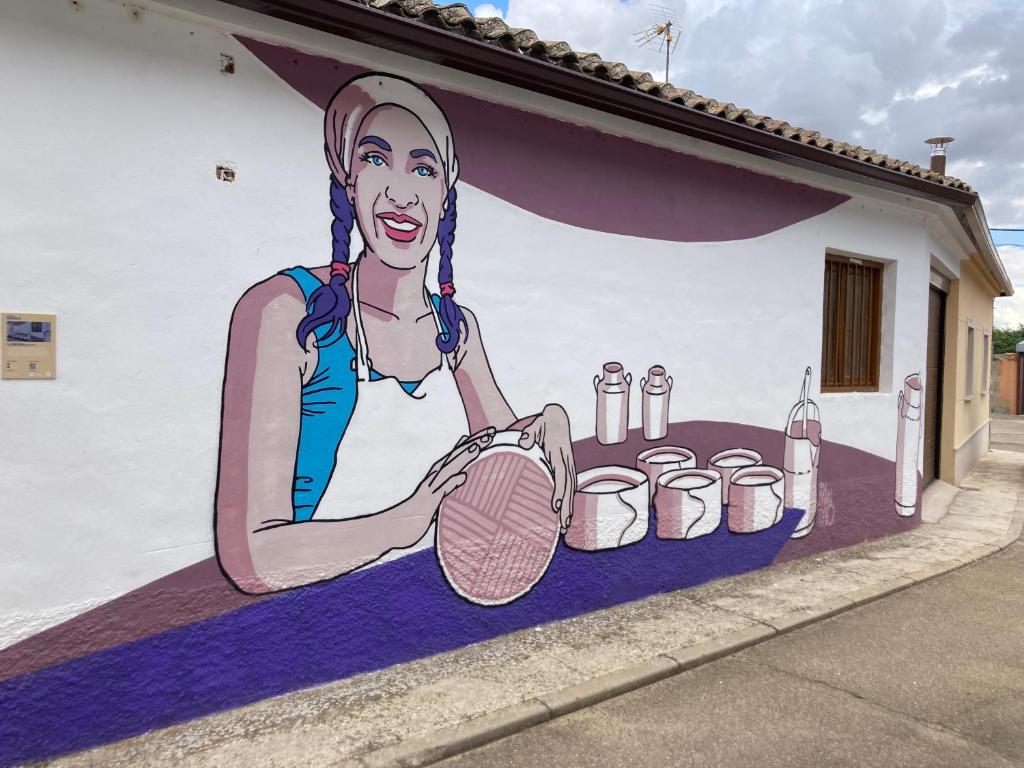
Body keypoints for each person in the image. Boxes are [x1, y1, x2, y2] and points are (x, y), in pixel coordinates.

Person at [215, 73, 576, 595]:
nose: (402, 193)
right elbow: (252, 558)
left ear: (445, 194)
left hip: (442, 608)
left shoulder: (456, 330)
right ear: (347, 181)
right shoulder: (286, 312)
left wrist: (550, 422)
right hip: (310, 627)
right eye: (375, 158)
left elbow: (503, 452)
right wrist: (399, 525)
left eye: (424, 168)